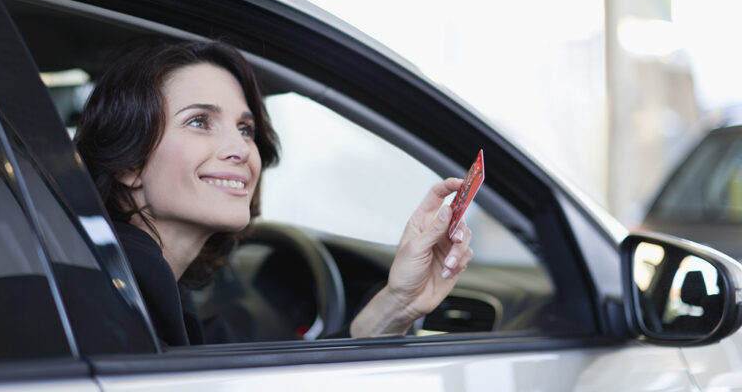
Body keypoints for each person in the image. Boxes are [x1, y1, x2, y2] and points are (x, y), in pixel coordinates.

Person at [74, 39, 473, 345]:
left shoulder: (137, 286)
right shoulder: (105, 301)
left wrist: (399, 302)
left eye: (245, 129)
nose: (241, 150)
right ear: (129, 162)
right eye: (199, 121)